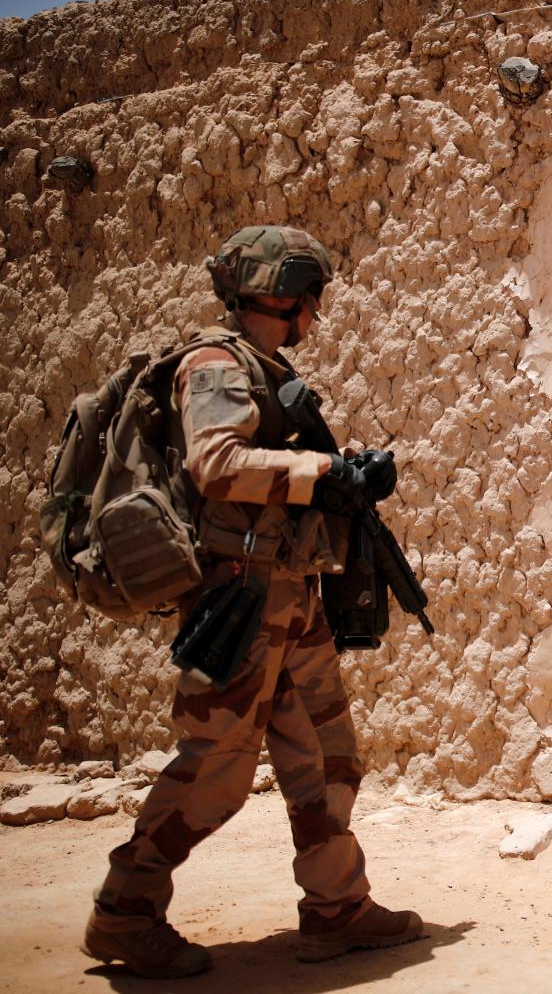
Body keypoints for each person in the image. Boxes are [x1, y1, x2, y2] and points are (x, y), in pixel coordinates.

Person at [84, 226, 422, 978]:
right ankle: (123, 912)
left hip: (287, 590)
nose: (318, 309)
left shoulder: (263, 369)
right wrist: (323, 471)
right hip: (238, 594)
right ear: (291, 291)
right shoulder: (214, 365)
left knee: (329, 755)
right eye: (315, 294)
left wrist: (340, 473)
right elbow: (217, 464)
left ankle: (338, 907)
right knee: (217, 768)